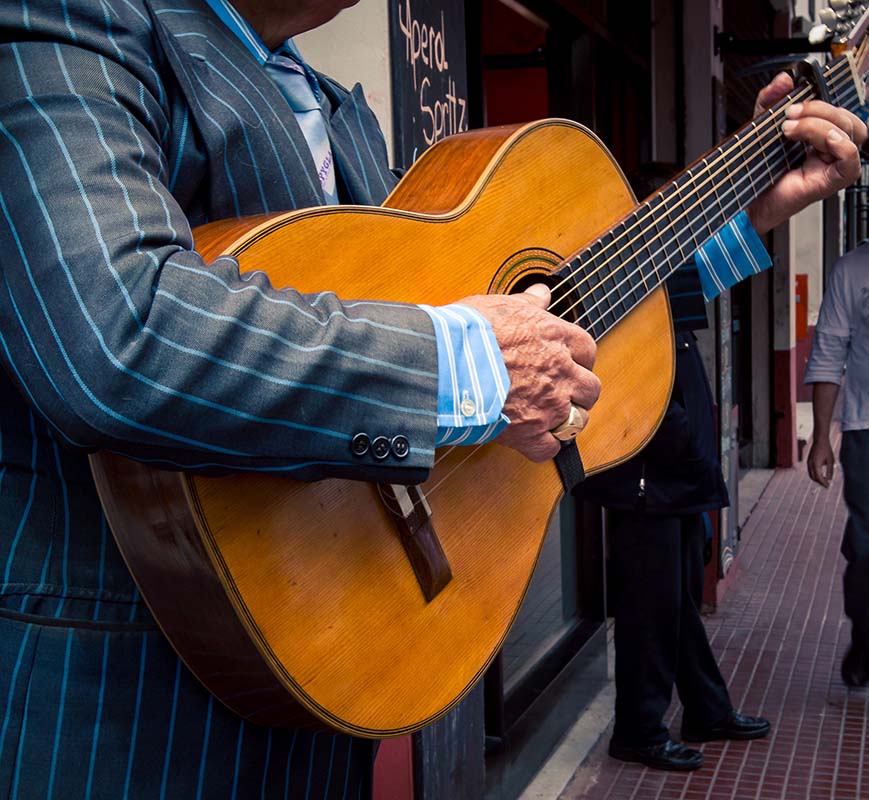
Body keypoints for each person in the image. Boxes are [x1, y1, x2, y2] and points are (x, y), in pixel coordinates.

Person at [0, 0, 864, 796]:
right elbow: (115, 334)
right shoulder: (71, 21)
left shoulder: (338, 108)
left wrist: (742, 202)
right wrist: (472, 372)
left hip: (343, 655)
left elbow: (545, 322)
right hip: (127, 698)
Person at [805, 243, 869, 688]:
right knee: (867, 553)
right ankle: (866, 635)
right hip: (866, 433)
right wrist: (821, 436)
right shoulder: (852, 269)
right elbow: (828, 351)